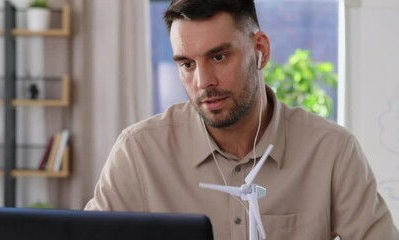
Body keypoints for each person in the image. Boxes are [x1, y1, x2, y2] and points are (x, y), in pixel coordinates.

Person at [85, 0, 399, 239]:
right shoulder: (138, 152)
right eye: (187, 65)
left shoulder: (333, 151)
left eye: (218, 57)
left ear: (260, 50)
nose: (203, 81)